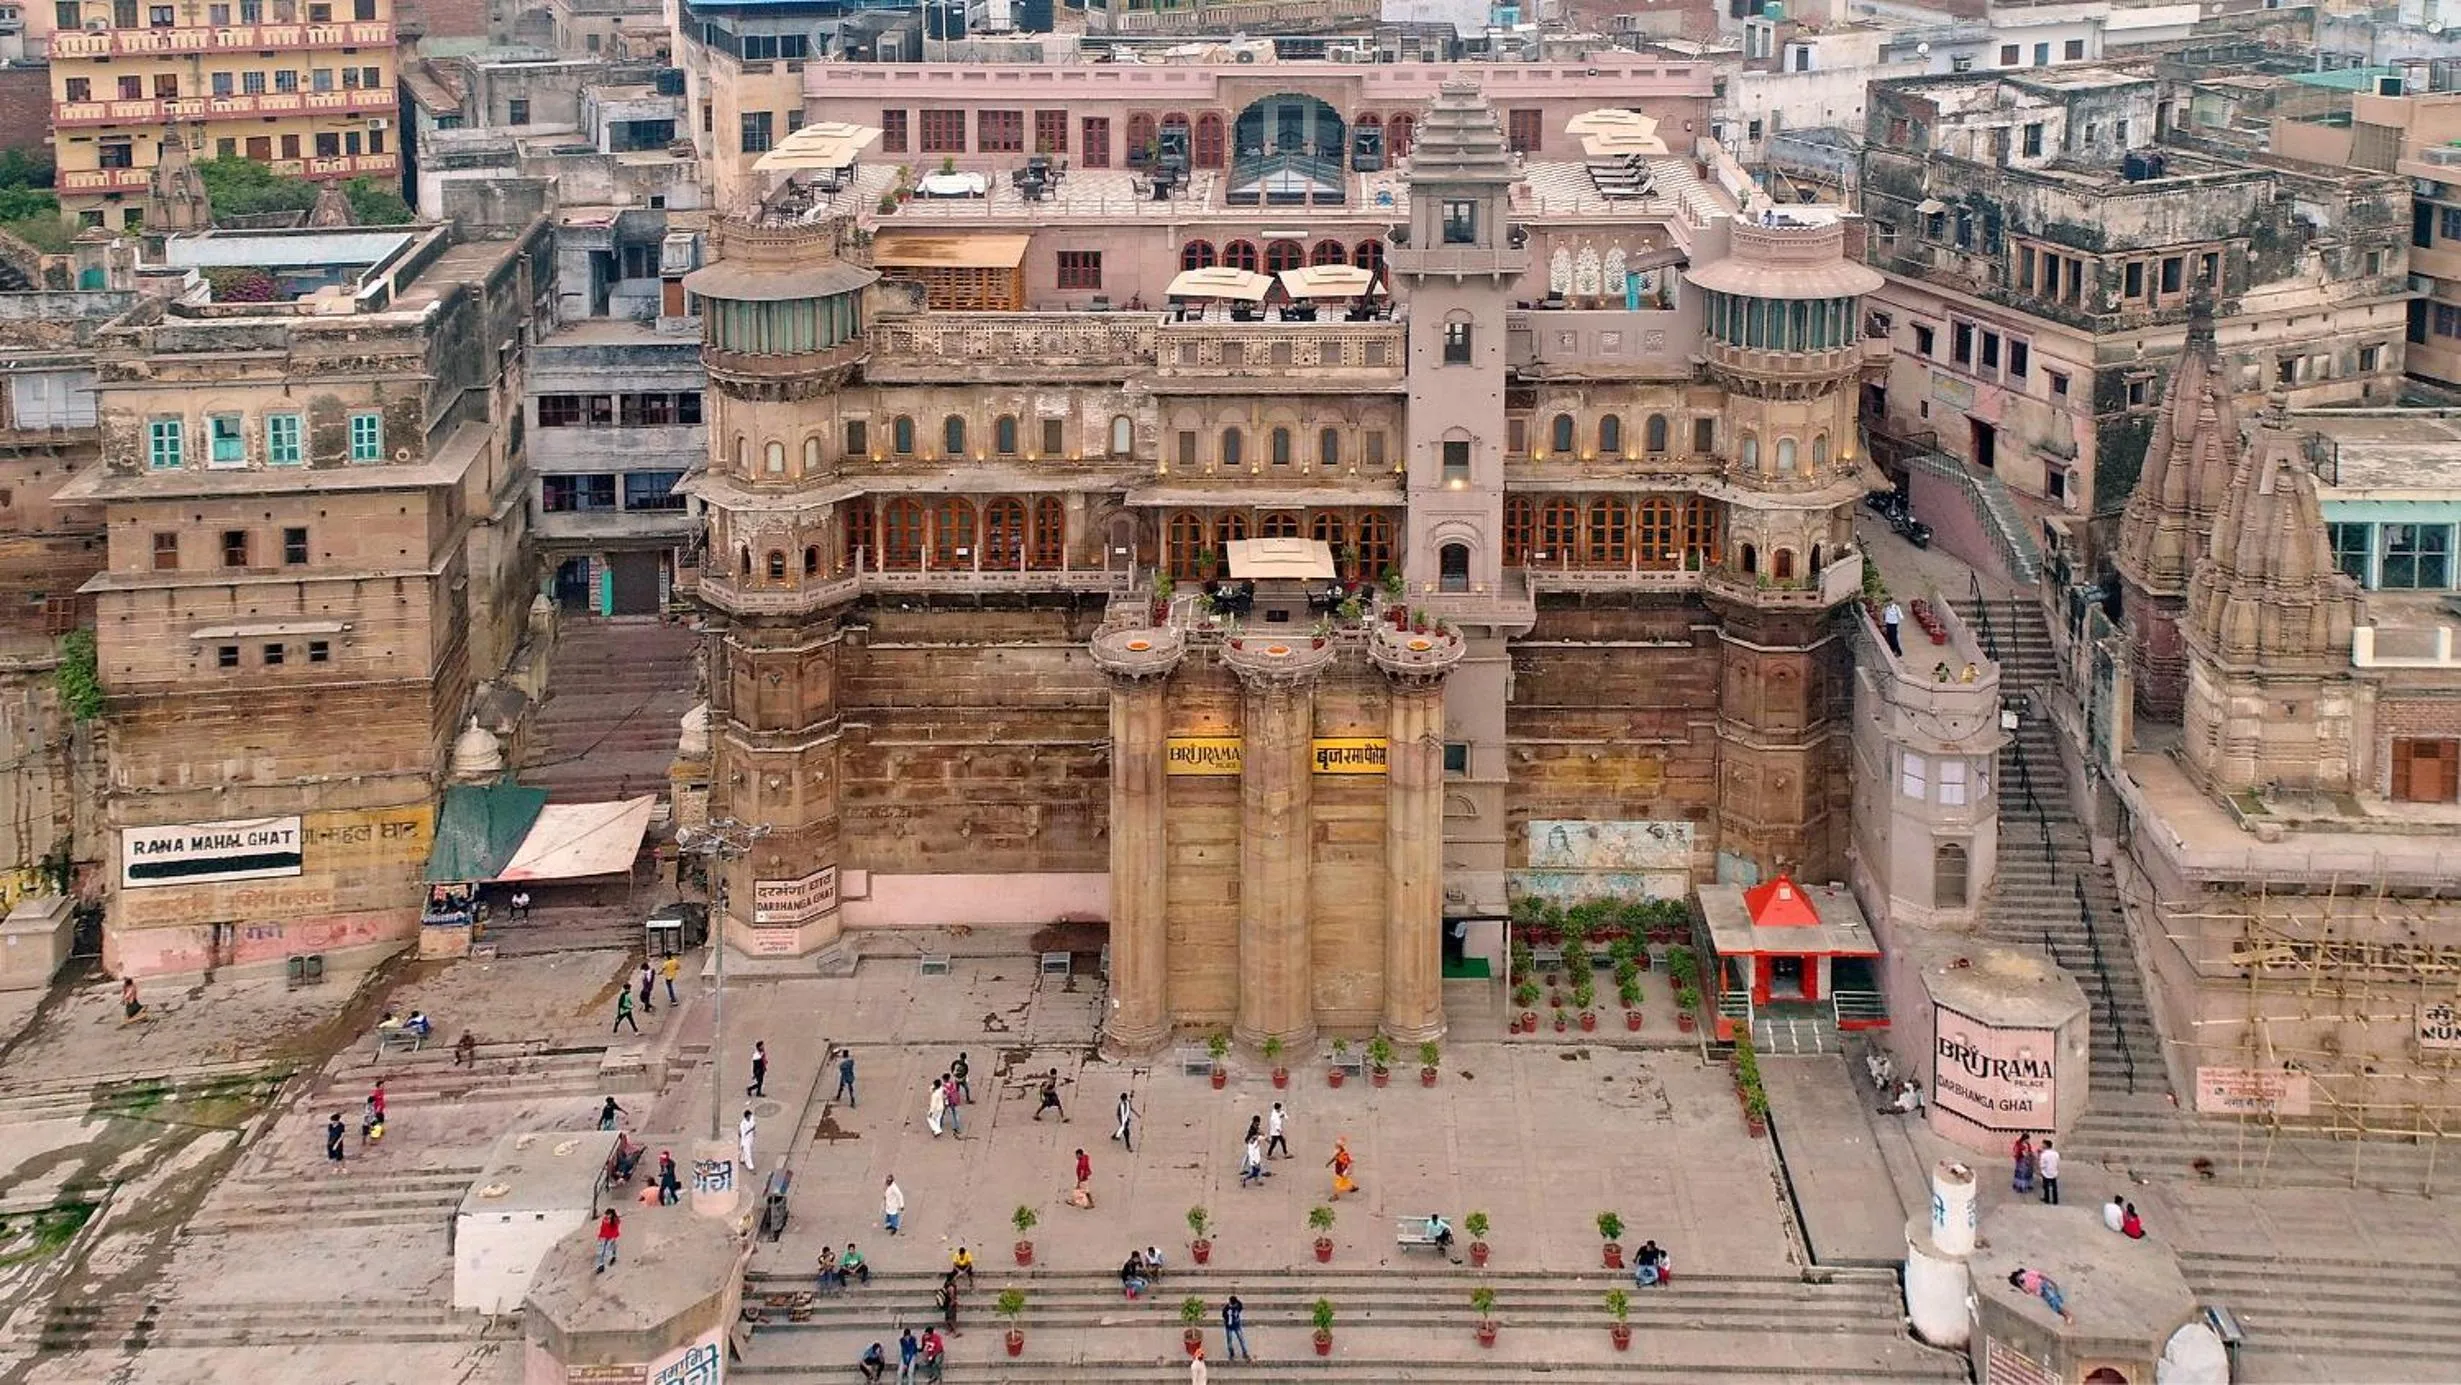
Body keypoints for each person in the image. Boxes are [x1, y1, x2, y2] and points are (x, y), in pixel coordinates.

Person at [1221, 1294, 1251, 1361]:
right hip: (1229, 1326)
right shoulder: (1227, 1308)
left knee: (1241, 1339)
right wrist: (1229, 1315)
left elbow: (1240, 1306)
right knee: (1229, 1341)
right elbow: (1223, 1315)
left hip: (1237, 1325)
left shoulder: (1238, 1305)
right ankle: (1231, 1353)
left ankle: (1245, 1352)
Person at [2037, 1138, 2061, 1205]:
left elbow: (2042, 1164)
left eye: (2043, 1145)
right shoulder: (2056, 1154)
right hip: (2054, 1172)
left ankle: (2047, 1199)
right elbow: (2057, 1162)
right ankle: (2055, 1200)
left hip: (2046, 1173)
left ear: (2046, 1146)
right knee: (2054, 1187)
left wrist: (2041, 1171)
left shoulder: (2044, 1154)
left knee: (2046, 1187)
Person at [941, 1073, 965, 1138]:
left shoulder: (943, 1087)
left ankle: (939, 1124)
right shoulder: (952, 1084)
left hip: (947, 1102)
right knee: (954, 1114)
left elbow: (944, 1095)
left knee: (942, 1113)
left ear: (944, 1079)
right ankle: (956, 1127)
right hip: (953, 1101)